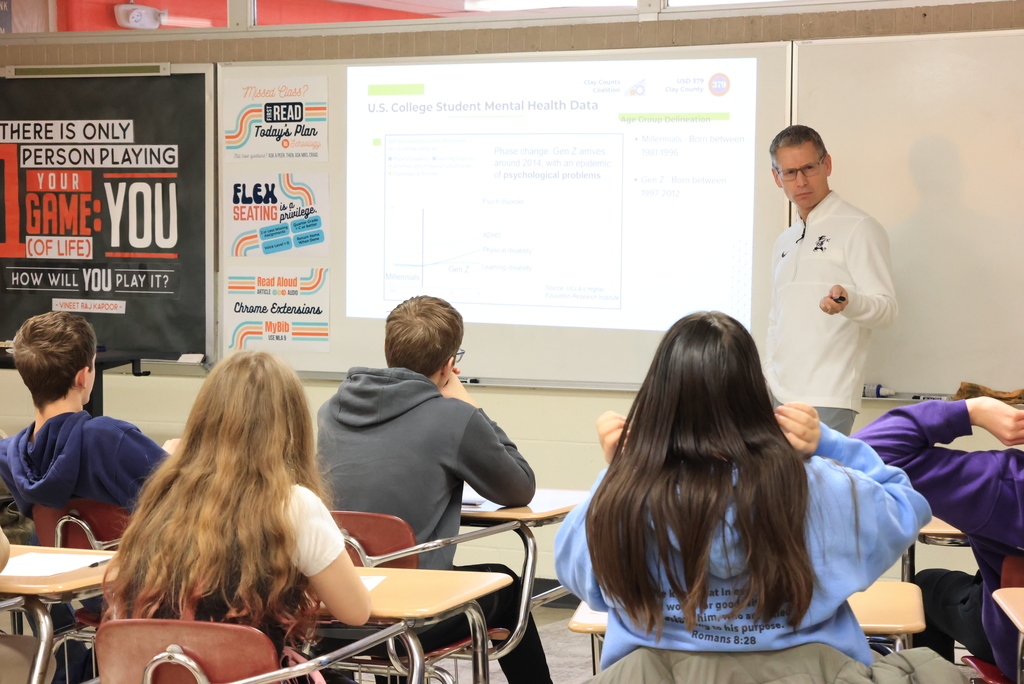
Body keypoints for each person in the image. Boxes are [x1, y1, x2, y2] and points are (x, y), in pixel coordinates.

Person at [555, 311, 944, 679]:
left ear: (657, 399)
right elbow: (906, 505)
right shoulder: (817, 485)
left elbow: (579, 576)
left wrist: (619, 473)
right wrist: (830, 444)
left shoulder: (623, 498)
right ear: (756, 394)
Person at [316, 295, 551, 684]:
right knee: (509, 586)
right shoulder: (453, 417)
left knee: (392, 568)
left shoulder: (330, 410)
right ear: (448, 363)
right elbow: (520, 487)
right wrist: (467, 403)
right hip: (411, 621)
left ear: (388, 350)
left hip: (330, 616)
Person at [104, 351, 371, 653]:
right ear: (291, 426)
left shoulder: (165, 493)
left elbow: (121, 594)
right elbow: (356, 612)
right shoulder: (295, 505)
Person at [855, 398, 1024, 680]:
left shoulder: (1009, 487)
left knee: (927, 586)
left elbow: (867, 457)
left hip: (1016, 647)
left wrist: (972, 411)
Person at [765, 125, 897, 435]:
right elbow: (776, 319)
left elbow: (887, 310)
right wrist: (769, 376)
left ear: (827, 165)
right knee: (776, 485)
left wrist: (849, 303)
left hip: (829, 397)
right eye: (790, 172)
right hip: (777, 398)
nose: (801, 181)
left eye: (809, 168)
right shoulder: (784, 240)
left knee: (817, 484)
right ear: (777, 178)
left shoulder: (860, 227)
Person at [0, 311, 169, 515]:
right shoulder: (108, 438)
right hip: (124, 547)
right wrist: (172, 459)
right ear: (83, 377)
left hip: (47, 547)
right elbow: (185, 497)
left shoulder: (8, 455)